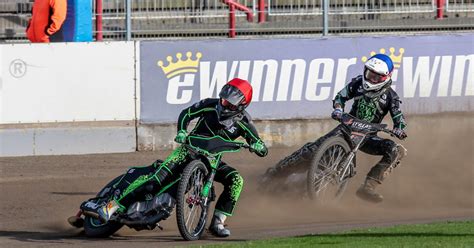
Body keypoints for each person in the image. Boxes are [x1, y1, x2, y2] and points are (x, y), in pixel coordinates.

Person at [82, 78, 268, 237]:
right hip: (187, 151)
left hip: (213, 160)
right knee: (155, 181)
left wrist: (259, 146)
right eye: (223, 99)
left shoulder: (244, 123)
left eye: (229, 103)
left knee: (236, 180)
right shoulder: (210, 104)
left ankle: (218, 222)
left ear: (242, 105)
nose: (223, 104)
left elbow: (260, 146)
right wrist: (181, 131)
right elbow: (186, 114)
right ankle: (113, 205)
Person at [331, 54, 407, 203]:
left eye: (377, 77)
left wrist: (399, 129)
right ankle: (282, 169)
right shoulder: (358, 83)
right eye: (370, 74)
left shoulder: (391, 96)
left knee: (396, 151)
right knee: (313, 148)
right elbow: (341, 96)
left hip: (368, 137)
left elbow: (398, 116)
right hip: (347, 128)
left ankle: (368, 187)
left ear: (386, 77)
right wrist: (339, 109)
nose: (372, 79)